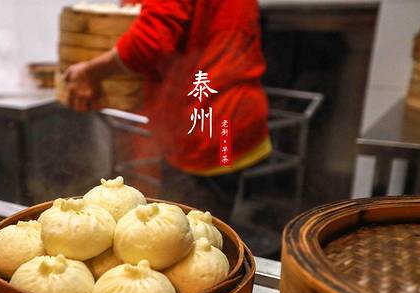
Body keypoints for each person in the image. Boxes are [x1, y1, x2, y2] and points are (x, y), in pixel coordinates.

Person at [63, 0, 270, 221]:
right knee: (210, 219)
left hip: (205, 126)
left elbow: (148, 40)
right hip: (232, 118)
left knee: (194, 230)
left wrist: (90, 72)